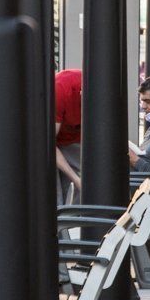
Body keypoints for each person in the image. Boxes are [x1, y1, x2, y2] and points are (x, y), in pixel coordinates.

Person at [54, 69, 83, 205]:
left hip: (74, 139)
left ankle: (75, 221)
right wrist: (76, 179)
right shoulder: (61, 89)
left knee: (84, 183)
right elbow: (48, 145)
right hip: (53, 142)